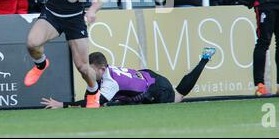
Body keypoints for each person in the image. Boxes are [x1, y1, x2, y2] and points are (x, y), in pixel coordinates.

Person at [20, 0, 104, 108]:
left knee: (82, 67)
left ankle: (93, 90)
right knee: (32, 43)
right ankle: (41, 64)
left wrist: (92, 10)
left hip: (75, 18)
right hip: (52, 13)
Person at [41, 48, 216, 108]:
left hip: (155, 88)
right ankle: (205, 58)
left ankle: (205, 58)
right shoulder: (106, 73)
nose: (87, 73)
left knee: (178, 96)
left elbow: (91, 103)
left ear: (102, 69)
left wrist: (62, 104)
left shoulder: (110, 83)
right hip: (148, 76)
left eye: (90, 70)